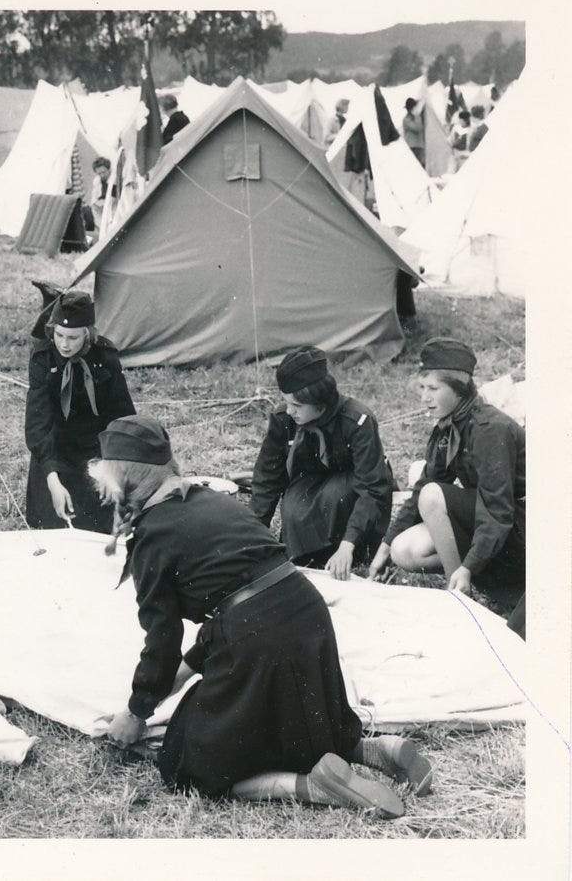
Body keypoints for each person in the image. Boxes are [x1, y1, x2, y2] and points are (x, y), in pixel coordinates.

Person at [92, 416, 433, 818]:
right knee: (297, 719)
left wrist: (135, 713)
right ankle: (375, 750)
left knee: (188, 764)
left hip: (259, 636)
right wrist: (160, 692)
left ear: (122, 482)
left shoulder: (152, 537)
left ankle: (311, 786)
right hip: (304, 610)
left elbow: (162, 641)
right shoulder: (210, 501)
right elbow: (224, 615)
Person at [369, 339, 526, 637]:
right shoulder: (449, 424)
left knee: (433, 495)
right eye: (421, 388)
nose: (424, 397)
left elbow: (497, 509)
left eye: (433, 389)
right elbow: (424, 484)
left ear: (459, 387)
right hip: (494, 519)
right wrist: (385, 548)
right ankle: (469, 577)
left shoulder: (490, 429)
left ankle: (460, 593)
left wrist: (467, 566)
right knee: (405, 550)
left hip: (521, 528)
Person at [250, 347, 394, 579]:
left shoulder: (357, 420)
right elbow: (267, 478)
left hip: (353, 488)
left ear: (319, 402)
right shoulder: (283, 419)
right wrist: (253, 535)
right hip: (310, 483)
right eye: (286, 403)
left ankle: (349, 551)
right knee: (294, 508)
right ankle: (312, 553)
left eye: (297, 406)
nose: (289, 411)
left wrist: (348, 544)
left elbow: (372, 487)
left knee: (335, 495)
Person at [24, 292, 135, 532]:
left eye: (73, 337)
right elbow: (38, 423)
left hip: (95, 451)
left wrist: (112, 466)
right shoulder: (42, 358)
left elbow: (122, 416)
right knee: (53, 527)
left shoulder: (105, 357)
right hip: (55, 448)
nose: (64, 344)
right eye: (59, 335)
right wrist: (52, 479)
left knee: (100, 527)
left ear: (88, 333)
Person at [402, 98, 426, 166]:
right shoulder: (406, 120)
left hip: (419, 147)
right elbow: (418, 128)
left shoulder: (415, 118)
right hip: (413, 148)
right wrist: (417, 115)